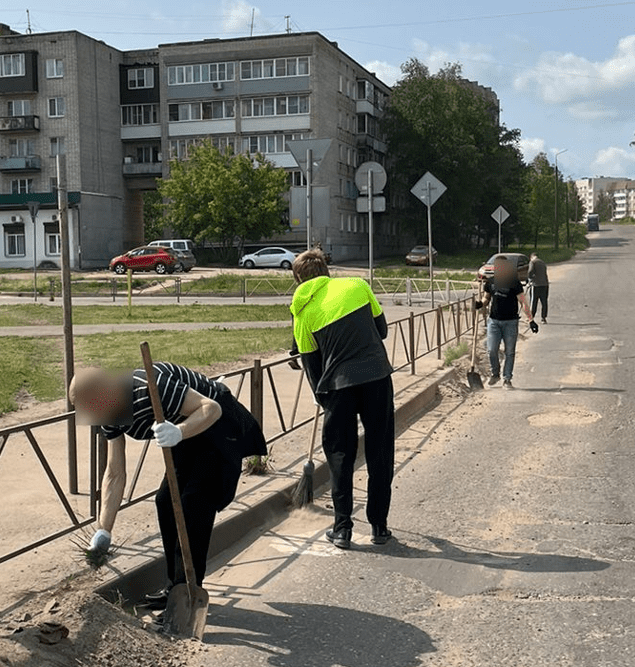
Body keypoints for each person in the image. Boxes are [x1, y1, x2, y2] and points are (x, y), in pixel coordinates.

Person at [71, 361, 266, 604]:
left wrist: (179, 432)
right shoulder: (108, 412)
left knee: (194, 503)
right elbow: (115, 472)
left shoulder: (149, 387)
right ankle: (175, 588)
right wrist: (104, 530)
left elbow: (211, 408)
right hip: (184, 431)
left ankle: (188, 591)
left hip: (216, 424)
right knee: (165, 502)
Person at [289, 248, 394, 551]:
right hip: (376, 376)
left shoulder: (302, 312)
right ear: (326, 270)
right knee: (380, 451)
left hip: (338, 387)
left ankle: (342, 528)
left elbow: (311, 365)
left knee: (340, 455)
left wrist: (324, 399)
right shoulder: (357, 286)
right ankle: (379, 526)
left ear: (298, 279)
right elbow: (382, 330)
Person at [478, 256, 536, 388]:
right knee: (492, 349)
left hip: (510, 322)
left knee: (509, 352)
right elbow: (486, 298)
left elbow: (523, 301)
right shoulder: (491, 282)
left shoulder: (514, 283)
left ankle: (507, 379)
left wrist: (531, 320)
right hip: (494, 321)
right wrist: (479, 304)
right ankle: (495, 374)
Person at [527, 252, 549, 322]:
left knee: (534, 301)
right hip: (545, 284)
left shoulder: (532, 262)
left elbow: (530, 271)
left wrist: (530, 279)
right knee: (544, 302)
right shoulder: (542, 262)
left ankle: (531, 317)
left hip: (536, 284)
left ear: (531, 257)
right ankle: (543, 317)